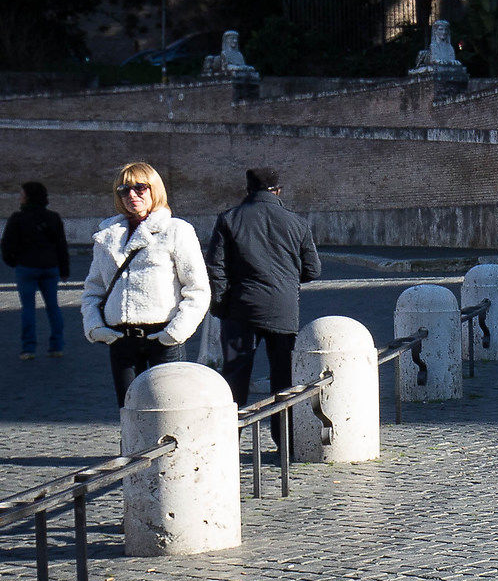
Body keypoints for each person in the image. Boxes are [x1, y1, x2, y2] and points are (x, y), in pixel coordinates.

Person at [83, 162, 210, 405]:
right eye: (124, 190)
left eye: (140, 188)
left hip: (162, 337)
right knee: (129, 410)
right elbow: (94, 288)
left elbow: (197, 288)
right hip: (120, 338)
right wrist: (96, 327)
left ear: (154, 190)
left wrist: (176, 332)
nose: (132, 195)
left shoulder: (176, 230)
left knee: (169, 408)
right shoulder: (107, 235)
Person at [205, 169, 322, 432]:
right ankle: (284, 441)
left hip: (240, 309)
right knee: (284, 380)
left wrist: (222, 305)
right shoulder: (297, 222)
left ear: (248, 190)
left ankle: (228, 441)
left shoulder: (229, 219)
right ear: (278, 190)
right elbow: (313, 270)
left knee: (235, 378)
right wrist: (286, 279)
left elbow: (215, 268)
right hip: (283, 310)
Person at [4, 181, 70, 359]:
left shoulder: (17, 218)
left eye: (22, 194)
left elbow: (7, 245)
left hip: (26, 268)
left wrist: (13, 262)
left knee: (28, 309)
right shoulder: (53, 217)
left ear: (27, 197)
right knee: (53, 307)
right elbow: (61, 245)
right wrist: (64, 269)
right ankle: (56, 346)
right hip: (50, 267)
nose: (20, 197)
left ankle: (28, 349)